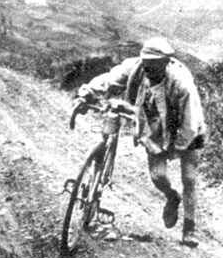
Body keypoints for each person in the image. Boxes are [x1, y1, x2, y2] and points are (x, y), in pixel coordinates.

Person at [76, 37, 206, 247]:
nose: (149, 69)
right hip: (156, 129)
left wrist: (175, 148)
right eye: (146, 63)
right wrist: (88, 93)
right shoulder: (135, 68)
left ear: (166, 63)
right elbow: (110, 79)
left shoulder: (181, 82)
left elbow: (190, 124)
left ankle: (189, 228)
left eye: (154, 65)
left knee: (189, 178)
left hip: (187, 129)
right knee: (158, 176)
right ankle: (172, 197)